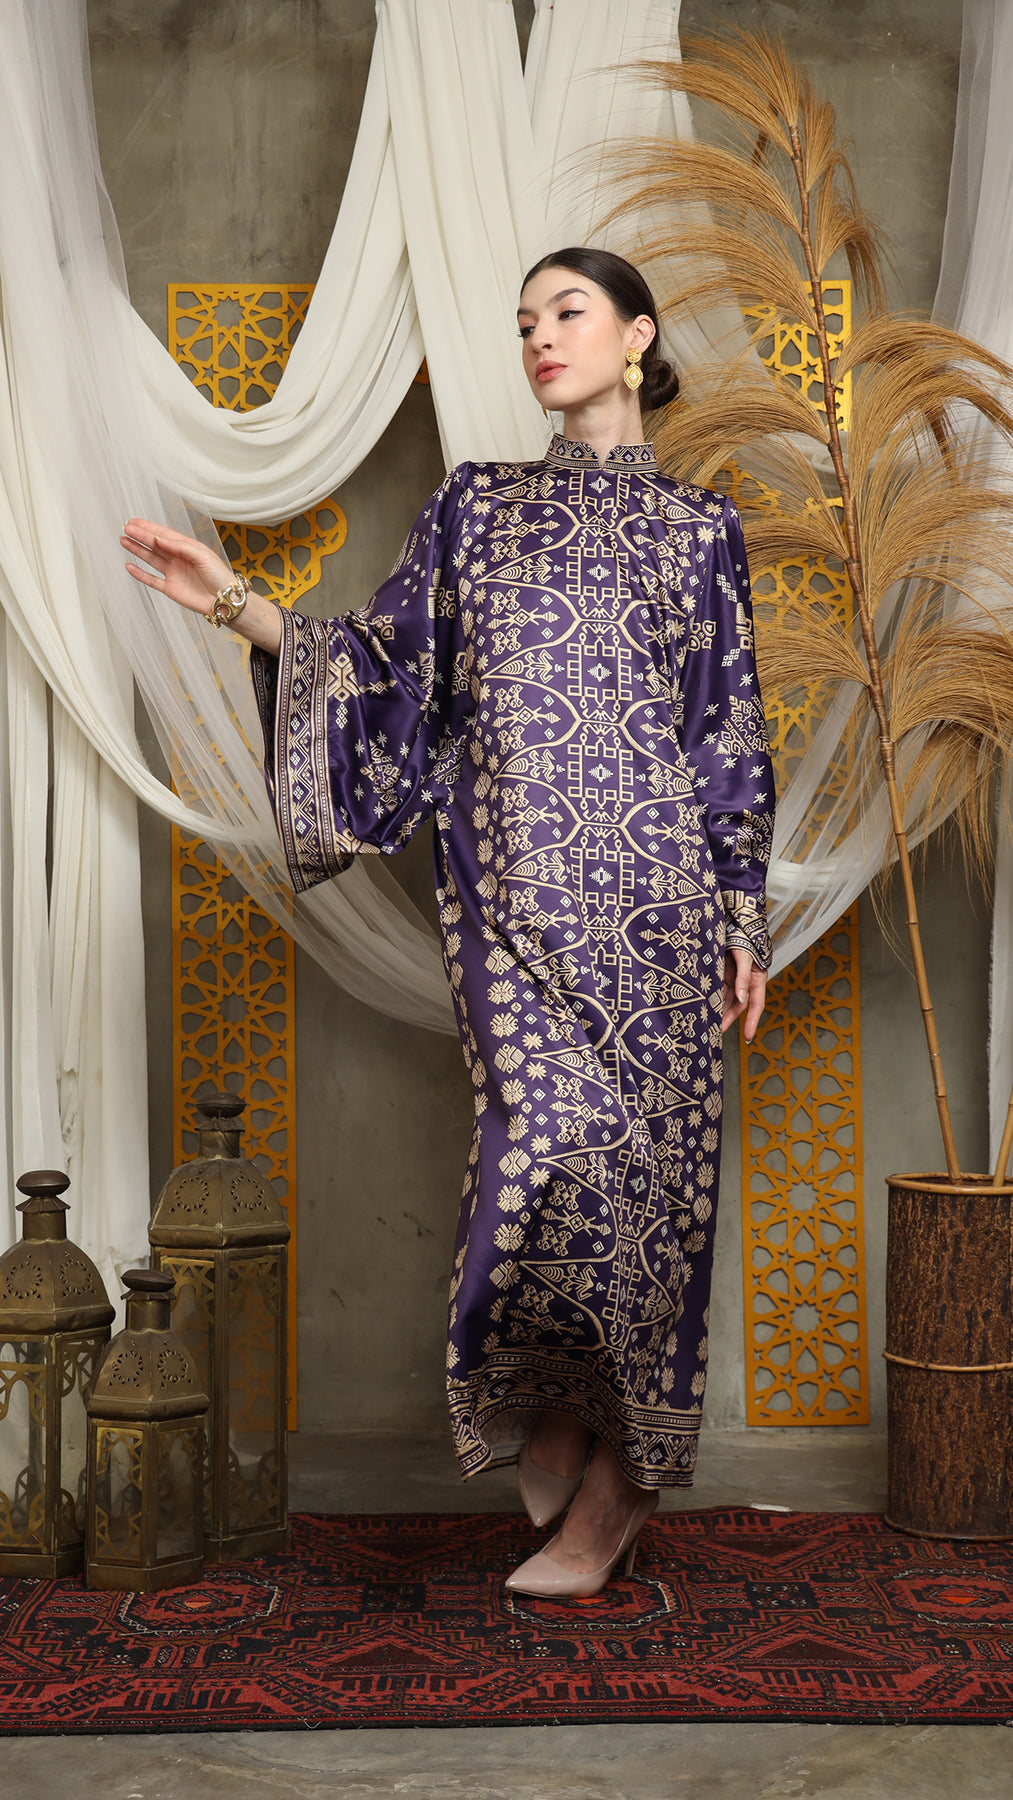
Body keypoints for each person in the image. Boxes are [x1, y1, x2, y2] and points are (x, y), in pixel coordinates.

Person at [122, 246, 775, 1599]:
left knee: (654, 1193)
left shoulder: (702, 529)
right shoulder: (476, 507)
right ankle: (552, 1411)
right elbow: (381, 673)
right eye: (524, 320)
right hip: (513, 897)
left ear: (637, 335)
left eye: (568, 312)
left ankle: (620, 1488)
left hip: (658, 905)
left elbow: (726, 732)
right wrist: (234, 605)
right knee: (543, 1150)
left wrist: (741, 917)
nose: (539, 337)